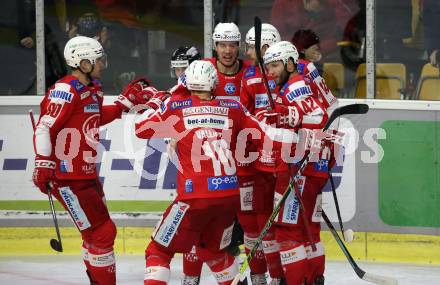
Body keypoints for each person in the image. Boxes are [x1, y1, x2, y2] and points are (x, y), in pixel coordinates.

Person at [136, 60, 306, 285]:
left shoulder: (176, 107)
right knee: (214, 253)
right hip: (228, 198)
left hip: (193, 198)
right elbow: (269, 136)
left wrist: (161, 100)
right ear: (214, 83)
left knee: (157, 250)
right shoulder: (233, 108)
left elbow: (141, 128)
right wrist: (304, 141)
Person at [32, 35, 156, 285]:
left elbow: (96, 116)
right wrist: (43, 163)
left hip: (86, 175)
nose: (103, 64)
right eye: (98, 60)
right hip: (67, 177)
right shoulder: (65, 90)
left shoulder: (92, 88)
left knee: (95, 234)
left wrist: (123, 104)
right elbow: (44, 128)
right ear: (83, 62)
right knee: (102, 233)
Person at [180, 22, 253, 285]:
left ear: (239, 46)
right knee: (196, 229)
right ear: (215, 45)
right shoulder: (201, 70)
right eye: (222, 44)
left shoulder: (251, 73)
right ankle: (191, 280)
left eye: (232, 44)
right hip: (205, 162)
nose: (227, 50)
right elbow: (178, 98)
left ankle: (250, 277)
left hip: (243, 163)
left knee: (244, 228)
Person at [263, 41, 337, 285]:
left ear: (290, 63)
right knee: (309, 230)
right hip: (314, 167)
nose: (270, 72)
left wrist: (287, 115)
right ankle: (314, 279)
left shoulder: (295, 86)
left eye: (275, 65)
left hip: (301, 170)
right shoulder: (294, 86)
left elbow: (316, 116)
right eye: (268, 66)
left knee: (287, 231)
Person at [239, 23, 287, 285]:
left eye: (261, 47)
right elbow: (242, 113)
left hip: (282, 159)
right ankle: (259, 275)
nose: (255, 52)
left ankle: (280, 275)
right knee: (255, 220)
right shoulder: (249, 78)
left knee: (280, 223)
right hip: (257, 161)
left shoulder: (286, 77)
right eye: (253, 47)